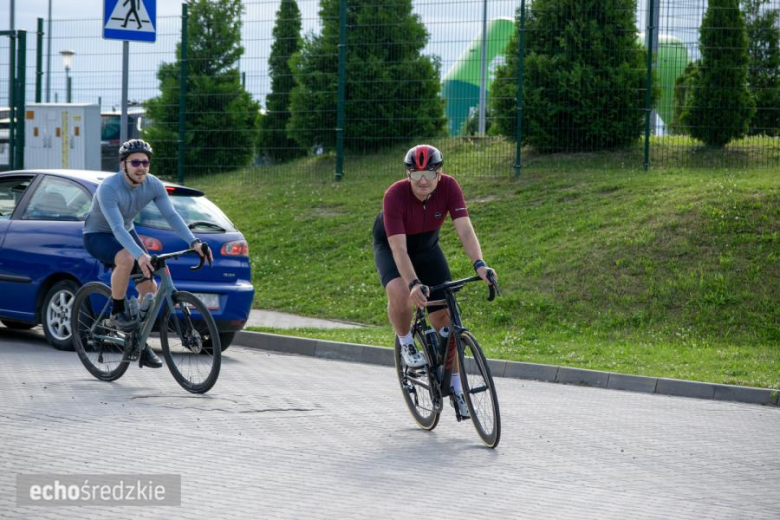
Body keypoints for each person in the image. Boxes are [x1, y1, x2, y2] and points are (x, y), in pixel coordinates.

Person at [372, 144, 496, 418]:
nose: (423, 181)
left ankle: (454, 386)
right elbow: (399, 250)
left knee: (446, 321)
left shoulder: (450, 187)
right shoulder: (394, 195)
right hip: (394, 246)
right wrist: (414, 283)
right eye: (416, 176)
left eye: (429, 173)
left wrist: (479, 264)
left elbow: (464, 228)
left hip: (428, 248)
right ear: (408, 176)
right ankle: (406, 342)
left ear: (440, 173)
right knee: (401, 292)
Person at [83, 139, 212, 368]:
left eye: (145, 162)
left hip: (126, 230)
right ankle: (117, 310)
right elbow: (116, 228)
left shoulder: (153, 185)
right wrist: (140, 255)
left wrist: (194, 242)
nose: (141, 167)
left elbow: (172, 216)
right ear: (123, 165)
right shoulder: (109, 188)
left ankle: (138, 344)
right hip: (99, 234)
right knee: (127, 257)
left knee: (150, 288)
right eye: (135, 162)